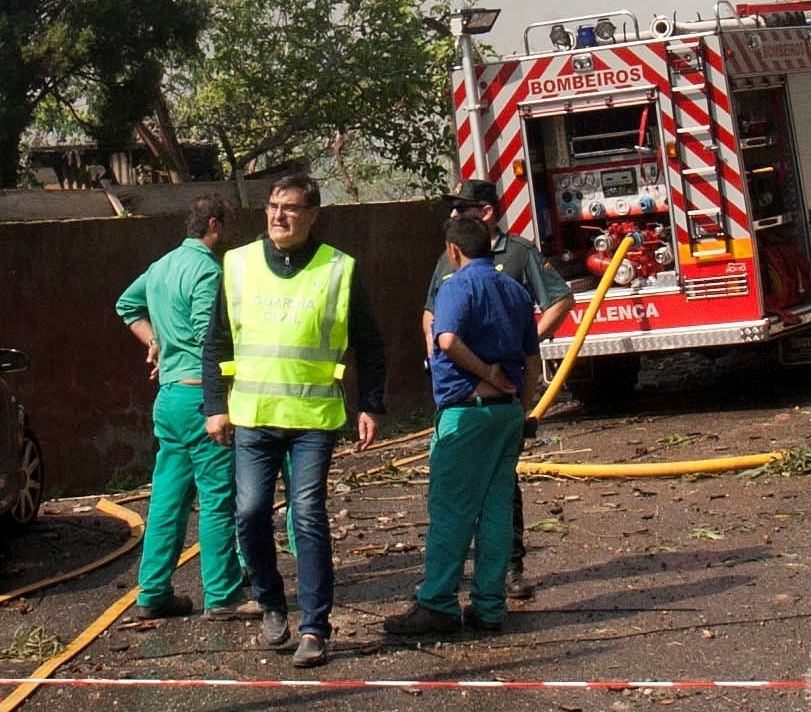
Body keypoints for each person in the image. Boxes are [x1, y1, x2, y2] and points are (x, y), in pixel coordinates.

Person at [202, 175, 385, 668]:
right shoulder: (236, 265)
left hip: (313, 418)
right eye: (273, 206)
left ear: (313, 214)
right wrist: (214, 405)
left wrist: (370, 404)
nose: (278, 216)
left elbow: (369, 342)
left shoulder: (338, 269)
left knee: (306, 516)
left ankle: (315, 628)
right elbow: (217, 342)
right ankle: (269, 601)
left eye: (290, 208)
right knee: (249, 512)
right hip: (254, 417)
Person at [384, 212, 539, 639]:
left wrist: (486, 374)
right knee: (494, 509)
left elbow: (447, 340)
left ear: (454, 250)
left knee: (451, 510)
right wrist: (522, 409)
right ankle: (489, 606)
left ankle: (437, 604)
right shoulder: (515, 291)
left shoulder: (456, 287)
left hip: (467, 413)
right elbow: (531, 360)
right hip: (507, 414)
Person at [420, 179, 573, 602]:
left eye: (461, 208)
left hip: (475, 407)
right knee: (494, 496)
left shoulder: (518, 255)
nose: (453, 216)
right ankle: (488, 601)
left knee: (456, 503)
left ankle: (446, 599)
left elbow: (449, 336)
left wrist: (494, 363)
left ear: (485, 212)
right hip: (496, 402)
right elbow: (432, 319)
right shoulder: (453, 263)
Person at [115, 196, 247, 621]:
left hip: (169, 397)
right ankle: (223, 593)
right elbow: (211, 339)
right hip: (201, 397)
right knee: (216, 497)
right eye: (227, 225)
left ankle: (153, 591)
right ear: (214, 224)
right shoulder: (208, 271)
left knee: (168, 499)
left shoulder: (161, 267)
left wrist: (154, 341)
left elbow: (127, 306)